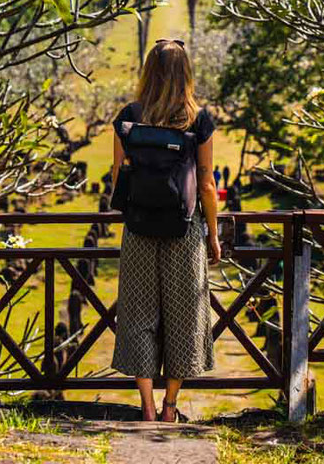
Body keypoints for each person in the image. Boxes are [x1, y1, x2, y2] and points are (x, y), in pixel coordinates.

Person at [109, 38, 222, 422]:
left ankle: (147, 407)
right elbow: (207, 182)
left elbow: (117, 176)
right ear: (186, 73)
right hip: (184, 231)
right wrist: (215, 234)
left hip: (139, 228)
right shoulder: (198, 120)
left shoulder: (130, 115)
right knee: (184, 315)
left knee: (139, 313)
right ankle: (171, 406)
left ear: (148, 72)